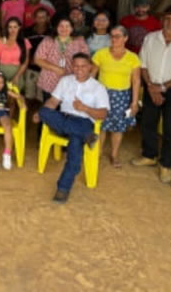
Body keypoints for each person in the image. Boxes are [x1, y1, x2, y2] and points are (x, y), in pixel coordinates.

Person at [133, 6, 171, 184]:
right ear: (162, 21)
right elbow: (142, 65)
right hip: (152, 85)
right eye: (167, 19)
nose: (170, 22)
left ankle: (166, 164)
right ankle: (149, 155)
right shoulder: (150, 38)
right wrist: (152, 87)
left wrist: (162, 87)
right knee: (147, 122)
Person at [37, 53, 110, 202]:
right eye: (76, 66)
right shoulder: (65, 81)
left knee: (75, 150)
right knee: (44, 111)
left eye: (83, 66)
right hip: (63, 119)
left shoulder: (98, 87)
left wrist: (85, 108)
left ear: (90, 67)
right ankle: (86, 135)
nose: (79, 69)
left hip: (84, 121)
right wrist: (42, 114)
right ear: (72, 66)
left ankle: (63, 188)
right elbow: (53, 101)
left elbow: (103, 114)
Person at [92, 25, 141, 168]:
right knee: (100, 126)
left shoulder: (133, 58)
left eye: (118, 36)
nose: (114, 39)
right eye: (112, 36)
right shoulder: (100, 54)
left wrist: (134, 102)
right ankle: (98, 153)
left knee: (117, 128)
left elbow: (136, 81)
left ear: (125, 38)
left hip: (122, 96)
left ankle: (114, 155)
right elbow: (92, 76)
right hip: (102, 95)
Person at [33, 18, 90, 103]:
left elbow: (86, 60)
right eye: (61, 26)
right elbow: (37, 59)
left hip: (72, 81)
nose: (64, 29)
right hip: (49, 81)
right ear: (56, 28)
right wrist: (56, 68)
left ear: (72, 28)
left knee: (66, 110)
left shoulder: (79, 41)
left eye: (67, 26)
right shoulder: (48, 40)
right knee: (50, 108)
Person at [0, 17, 31, 90]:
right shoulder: (0, 42)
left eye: (15, 27)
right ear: (7, 28)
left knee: (15, 96)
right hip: (2, 71)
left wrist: (17, 76)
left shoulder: (25, 42)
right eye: (10, 27)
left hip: (18, 71)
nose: (13, 30)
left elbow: (25, 61)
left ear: (19, 27)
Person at [22, 8, 53, 102]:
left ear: (48, 18)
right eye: (38, 17)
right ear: (34, 18)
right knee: (28, 95)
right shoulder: (27, 31)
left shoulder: (52, 32)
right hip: (30, 68)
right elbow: (22, 48)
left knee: (42, 98)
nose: (40, 19)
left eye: (43, 17)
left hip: (46, 69)